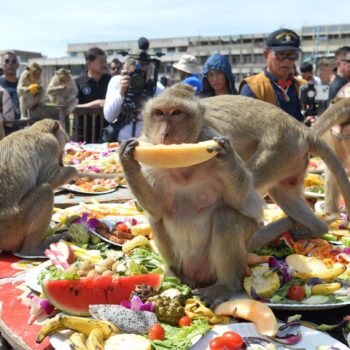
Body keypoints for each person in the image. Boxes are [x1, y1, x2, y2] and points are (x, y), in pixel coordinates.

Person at [239, 28, 304, 122]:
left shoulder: (302, 85)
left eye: (292, 56)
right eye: (280, 55)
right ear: (266, 54)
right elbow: (246, 127)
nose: (287, 61)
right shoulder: (253, 87)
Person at [103, 57, 164, 142]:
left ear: (150, 69)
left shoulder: (157, 88)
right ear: (127, 68)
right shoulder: (117, 82)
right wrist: (121, 91)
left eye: (143, 65)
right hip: (119, 140)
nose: (139, 69)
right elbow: (109, 117)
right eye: (135, 65)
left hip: (145, 142)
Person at [74, 47, 111, 142]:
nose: (104, 64)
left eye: (105, 61)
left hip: (107, 133)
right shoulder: (77, 83)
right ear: (89, 63)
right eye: (101, 62)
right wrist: (96, 103)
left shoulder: (111, 81)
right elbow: (73, 107)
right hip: (83, 134)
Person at [0, 52, 20, 125]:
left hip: (23, 128)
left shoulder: (23, 84)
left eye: (14, 61)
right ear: (1, 65)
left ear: (18, 65)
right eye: (7, 61)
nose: (10, 64)